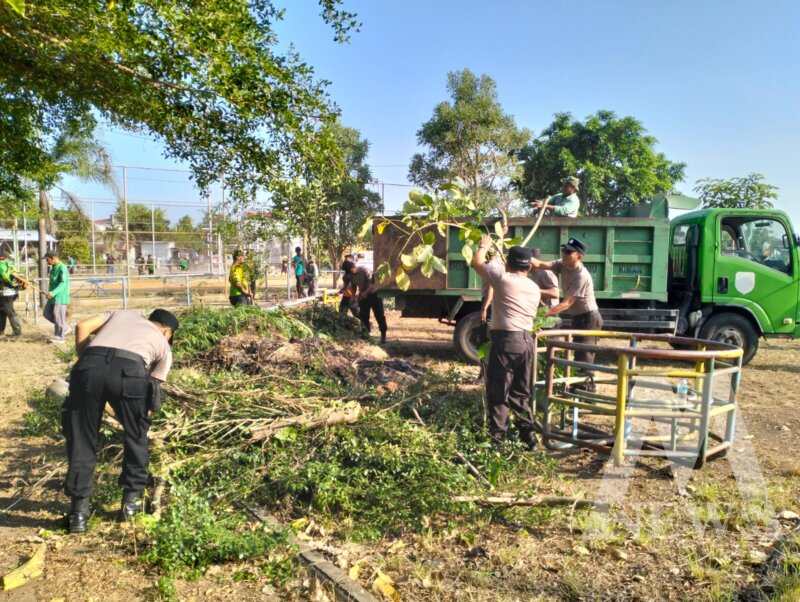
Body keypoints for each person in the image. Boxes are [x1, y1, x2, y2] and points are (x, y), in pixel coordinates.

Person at [62, 308, 179, 533]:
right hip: (131, 372)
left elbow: (82, 326)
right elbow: (152, 394)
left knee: (82, 438)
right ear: (167, 332)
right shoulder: (163, 346)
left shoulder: (123, 314)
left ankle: (78, 514)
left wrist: (87, 363)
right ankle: (130, 505)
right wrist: (131, 415)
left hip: (89, 365)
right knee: (136, 436)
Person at [471, 238, 540, 449]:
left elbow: (476, 263)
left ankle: (497, 440)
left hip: (507, 341)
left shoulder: (503, 279)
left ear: (509, 264)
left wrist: (483, 245)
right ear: (528, 266)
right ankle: (529, 439)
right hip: (528, 342)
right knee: (521, 392)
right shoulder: (534, 287)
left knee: (499, 391)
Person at [532, 237, 602, 388]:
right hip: (578, 317)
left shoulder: (582, 276)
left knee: (585, 356)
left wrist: (544, 316)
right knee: (578, 353)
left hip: (589, 318)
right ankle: (579, 390)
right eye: (564, 250)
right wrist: (523, 257)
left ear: (579, 256)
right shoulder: (562, 263)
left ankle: (587, 392)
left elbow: (567, 303)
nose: (564, 254)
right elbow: (540, 264)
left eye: (569, 252)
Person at [350, 263, 387, 344]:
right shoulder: (351, 275)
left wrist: (365, 293)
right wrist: (353, 296)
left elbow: (372, 285)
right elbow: (353, 286)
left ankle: (383, 335)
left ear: (354, 267)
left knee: (379, 315)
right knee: (364, 316)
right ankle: (366, 334)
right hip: (363, 296)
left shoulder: (365, 271)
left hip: (374, 295)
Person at [44, 251, 70, 342]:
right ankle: (65, 327)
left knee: (58, 316)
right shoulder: (53, 268)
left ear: (53, 258)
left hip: (60, 297)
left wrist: (53, 292)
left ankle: (60, 337)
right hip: (52, 297)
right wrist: (49, 293)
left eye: (47, 260)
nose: (47, 262)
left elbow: (63, 283)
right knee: (46, 314)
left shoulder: (62, 268)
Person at [0, 250, 23, 337]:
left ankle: (17, 332)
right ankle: (1, 331)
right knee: (2, 311)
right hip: (12, 292)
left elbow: (6, 278)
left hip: (6, 292)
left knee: (10, 312)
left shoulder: (1, 265)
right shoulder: (9, 264)